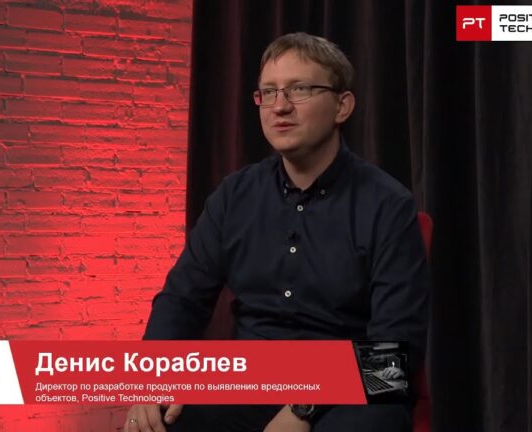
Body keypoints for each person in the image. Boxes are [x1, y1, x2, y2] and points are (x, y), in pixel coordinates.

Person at [125, 32, 429, 432]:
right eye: (268, 92)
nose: (280, 106)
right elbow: (182, 299)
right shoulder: (234, 196)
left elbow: (397, 352)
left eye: (300, 89)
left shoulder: (388, 205)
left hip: (350, 393)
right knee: (160, 421)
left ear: (342, 106)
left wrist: (304, 407)